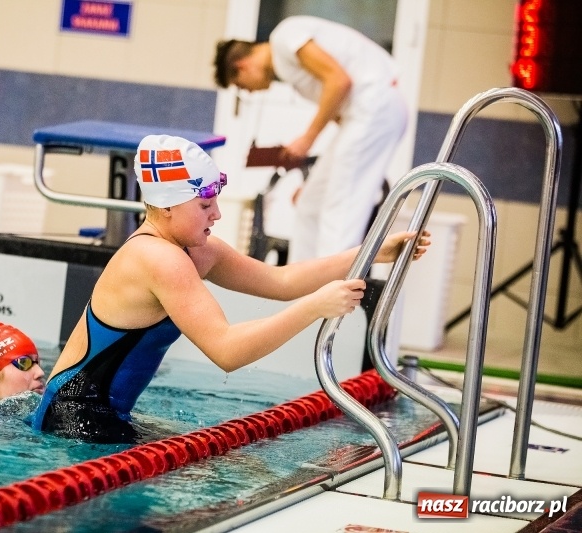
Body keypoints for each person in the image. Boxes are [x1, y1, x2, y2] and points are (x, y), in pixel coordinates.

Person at [31, 134, 429, 443]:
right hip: (74, 416)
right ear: (167, 206)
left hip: (106, 415)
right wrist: (315, 308)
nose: (217, 214)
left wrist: (372, 251)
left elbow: (282, 281)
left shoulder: (192, 250)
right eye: (205, 206)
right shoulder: (158, 259)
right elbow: (226, 351)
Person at [213, 16, 408, 261]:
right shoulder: (293, 75)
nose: (248, 92)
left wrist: (307, 139)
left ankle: (335, 290)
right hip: (362, 116)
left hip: (375, 108)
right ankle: (303, 286)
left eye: (240, 86)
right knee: (309, 203)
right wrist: (317, 180)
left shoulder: (285, 36)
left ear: (242, 66)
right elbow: (339, 114)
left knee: (341, 209)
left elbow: (339, 81)